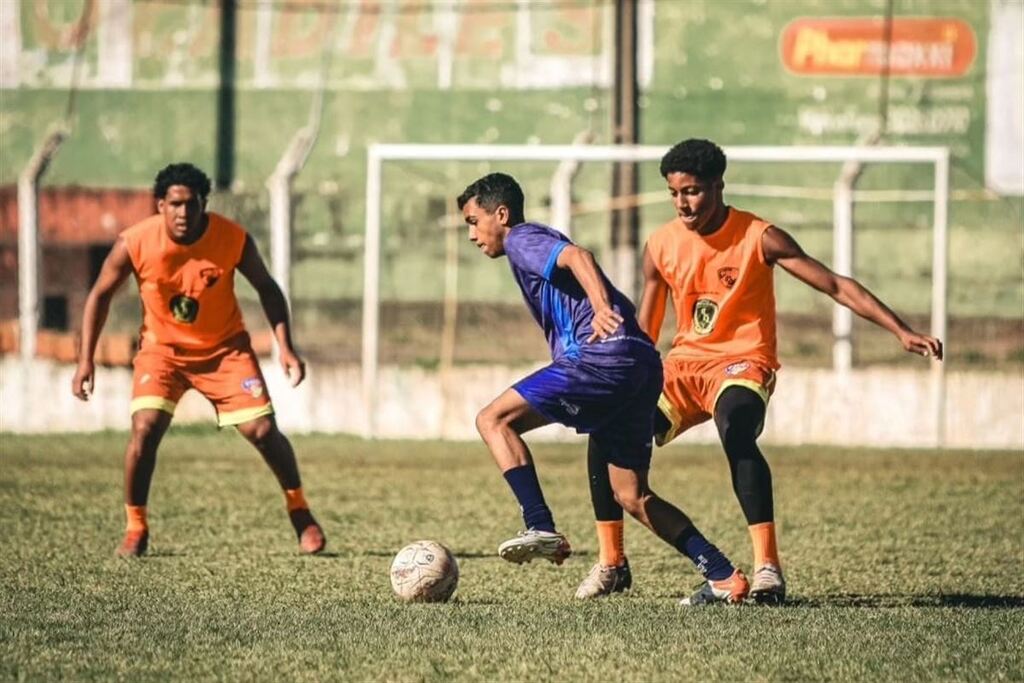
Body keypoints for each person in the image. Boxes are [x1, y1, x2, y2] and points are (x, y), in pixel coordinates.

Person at [605, 138, 943, 605]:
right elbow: (647, 329)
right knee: (610, 428)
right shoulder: (661, 245)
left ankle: (768, 569)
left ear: (719, 185)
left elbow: (834, 285)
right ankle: (611, 562)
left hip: (743, 363)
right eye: (675, 193)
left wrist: (900, 331)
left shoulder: (759, 237)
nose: (683, 203)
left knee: (737, 429)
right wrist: (618, 377)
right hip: (683, 369)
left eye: (694, 191)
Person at [458, 172, 749, 605]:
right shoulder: (526, 247)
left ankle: (538, 523)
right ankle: (724, 576)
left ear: (501, 214)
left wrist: (599, 309)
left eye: (472, 220)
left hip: (601, 358)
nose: (471, 234)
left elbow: (578, 256)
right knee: (632, 494)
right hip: (641, 362)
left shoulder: (521, 238)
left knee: (493, 419)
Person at [71, 162, 326, 558]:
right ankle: (136, 527)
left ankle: (300, 512)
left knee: (261, 431)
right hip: (162, 354)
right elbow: (99, 296)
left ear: (204, 204)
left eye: (192, 204)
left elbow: (268, 289)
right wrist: (84, 359)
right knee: (145, 428)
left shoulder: (232, 238)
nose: (183, 213)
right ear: (160, 205)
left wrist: (286, 346)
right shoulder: (134, 243)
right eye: (175, 204)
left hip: (225, 350)